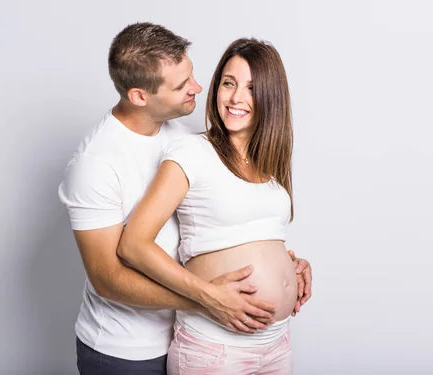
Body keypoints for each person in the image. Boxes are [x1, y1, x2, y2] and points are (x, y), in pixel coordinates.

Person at [59, 23, 312, 375]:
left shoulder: (184, 134)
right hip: (128, 349)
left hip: (206, 331)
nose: (198, 87)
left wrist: (285, 265)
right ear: (139, 96)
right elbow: (107, 278)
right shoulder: (96, 165)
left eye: (193, 75)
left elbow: (221, 223)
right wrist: (206, 299)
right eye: (181, 85)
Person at [117, 38, 302, 374]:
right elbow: (133, 244)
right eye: (228, 83)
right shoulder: (192, 153)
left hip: (276, 344)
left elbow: (256, 238)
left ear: (272, 96)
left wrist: (293, 267)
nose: (235, 98)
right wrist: (207, 295)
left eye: (251, 87)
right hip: (216, 350)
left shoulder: (270, 164)